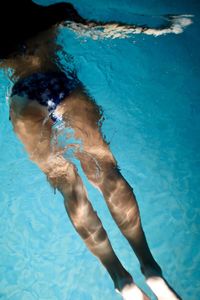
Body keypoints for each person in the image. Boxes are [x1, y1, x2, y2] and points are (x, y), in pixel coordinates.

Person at [0, 1, 192, 299]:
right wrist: (159, 30)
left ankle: (121, 279)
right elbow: (101, 31)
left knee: (69, 187)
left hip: (25, 100)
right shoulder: (50, 12)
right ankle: (150, 267)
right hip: (60, 84)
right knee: (105, 170)